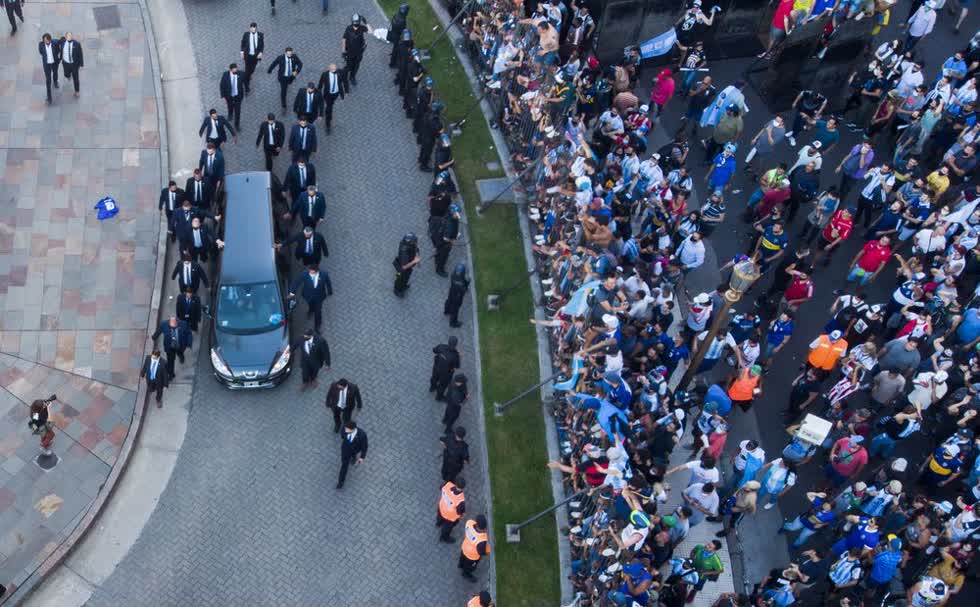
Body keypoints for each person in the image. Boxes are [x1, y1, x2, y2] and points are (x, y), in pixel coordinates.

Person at [288, 265, 332, 331]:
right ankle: (310, 311)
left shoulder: (324, 274)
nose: (310, 273)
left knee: (318, 312)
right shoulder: (304, 274)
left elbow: (328, 283)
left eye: (312, 272)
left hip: (319, 297)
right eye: (310, 272)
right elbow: (296, 283)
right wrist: (292, 293)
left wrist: (329, 291)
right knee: (310, 305)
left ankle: (317, 326)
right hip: (308, 296)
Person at [317, 64, 348, 134]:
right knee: (329, 109)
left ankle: (329, 113)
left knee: (331, 105)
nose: (333, 71)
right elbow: (320, 84)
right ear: (329, 69)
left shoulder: (340, 73)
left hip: (336, 93)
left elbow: (345, 81)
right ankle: (328, 125)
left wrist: (346, 91)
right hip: (328, 95)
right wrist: (318, 92)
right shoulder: (325, 75)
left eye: (334, 69)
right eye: (332, 69)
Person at [459, 515, 491, 581]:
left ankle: (460, 565)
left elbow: (472, 523)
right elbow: (481, 552)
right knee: (469, 567)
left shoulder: (469, 523)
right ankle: (466, 574)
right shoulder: (482, 540)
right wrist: (486, 552)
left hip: (464, 547)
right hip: (472, 557)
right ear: (485, 528)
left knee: (462, 558)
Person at [337, 421, 368, 489]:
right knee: (344, 466)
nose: (345, 430)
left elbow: (364, 447)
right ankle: (341, 482)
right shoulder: (345, 427)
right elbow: (342, 435)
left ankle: (354, 458)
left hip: (355, 450)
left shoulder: (362, 435)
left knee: (354, 455)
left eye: (347, 429)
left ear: (353, 429)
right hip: (345, 450)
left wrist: (362, 457)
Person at [437, 476, 467, 543]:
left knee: (439, 518)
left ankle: (438, 523)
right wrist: (462, 514)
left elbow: (440, 488)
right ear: (463, 488)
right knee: (446, 529)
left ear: (455, 483)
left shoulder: (448, 484)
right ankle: (444, 538)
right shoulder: (460, 500)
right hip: (449, 517)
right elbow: (460, 512)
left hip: (441, 508)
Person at [342, 14, 369, 85]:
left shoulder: (362, 28)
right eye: (354, 22)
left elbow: (371, 31)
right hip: (349, 52)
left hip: (359, 52)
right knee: (349, 66)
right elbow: (344, 39)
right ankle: (343, 74)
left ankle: (352, 77)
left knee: (356, 66)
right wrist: (343, 51)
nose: (355, 24)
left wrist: (366, 23)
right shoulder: (348, 28)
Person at [431, 337, 461, 401]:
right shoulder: (455, 355)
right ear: (455, 345)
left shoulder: (441, 346)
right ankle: (439, 397)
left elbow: (434, 350)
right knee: (442, 385)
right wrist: (459, 356)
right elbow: (457, 366)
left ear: (448, 342)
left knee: (434, 378)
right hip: (446, 374)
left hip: (436, 368)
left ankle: (432, 388)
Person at [393, 233, 421, 297]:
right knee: (400, 279)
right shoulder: (404, 253)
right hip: (402, 268)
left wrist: (417, 253)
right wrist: (415, 261)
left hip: (408, 267)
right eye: (415, 242)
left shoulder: (410, 244)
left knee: (406, 277)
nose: (416, 243)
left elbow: (416, 248)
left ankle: (403, 286)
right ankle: (397, 290)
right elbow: (404, 267)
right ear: (410, 243)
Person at [239, 22, 264, 94]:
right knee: (247, 71)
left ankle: (249, 75)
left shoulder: (260, 35)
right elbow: (243, 43)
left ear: (256, 29)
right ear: (249, 28)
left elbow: (262, 45)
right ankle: (246, 86)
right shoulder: (246, 34)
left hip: (255, 56)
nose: (253, 30)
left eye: (254, 29)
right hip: (248, 55)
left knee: (253, 68)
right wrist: (242, 52)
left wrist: (261, 52)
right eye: (251, 29)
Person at [219, 63, 244, 130]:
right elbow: (222, 86)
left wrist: (247, 88)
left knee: (238, 111)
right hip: (229, 96)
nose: (236, 71)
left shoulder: (241, 74)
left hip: (238, 96)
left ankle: (237, 125)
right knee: (230, 106)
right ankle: (230, 114)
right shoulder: (225, 75)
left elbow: (245, 81)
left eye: (236, 70)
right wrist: (223, 96)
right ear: (230, 70)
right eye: (234, 70)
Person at [38, 33, 62, 104]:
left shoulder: (55, 42)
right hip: (47, 65)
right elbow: (41, 52)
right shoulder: (41, 44)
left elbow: (59, 49)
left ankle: (55, 82)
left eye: (46, 40)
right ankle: (49, 97)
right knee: (48, 80)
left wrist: (59, 58)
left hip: (54, 63)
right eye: (44, 40)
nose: (44, 41)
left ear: (50, 40)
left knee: (55, 73)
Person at [445, 264, 470, 328]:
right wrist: (468, 282)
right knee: (455, 309)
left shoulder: (453, 275)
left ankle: (447, 311)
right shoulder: (461, 282)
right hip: (457, 296)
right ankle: (453, 323)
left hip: (452, 291)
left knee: (449, 301)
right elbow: (464, 289)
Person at [59, 32, 83, 97]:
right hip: (66, 63)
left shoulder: (77, 44)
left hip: (74, 64)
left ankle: (77, 91)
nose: (69, 37)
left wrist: (81, 64)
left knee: (76, 78)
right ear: (65, 37)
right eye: (68, 36)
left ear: (72, 36)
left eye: (70, 36)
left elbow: (80, 54)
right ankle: (68, 76)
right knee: (66, 74)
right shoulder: (63, 42)